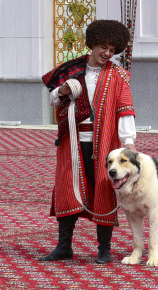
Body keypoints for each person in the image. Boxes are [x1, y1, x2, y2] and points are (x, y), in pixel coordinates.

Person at [40, 20, 136, 264]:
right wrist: (60, 92)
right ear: (93, 44)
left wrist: (129, 142)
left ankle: (104, 249)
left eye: (113, 50)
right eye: (104, 47)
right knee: (66, 187)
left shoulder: (120, 76)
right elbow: (54, 99)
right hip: (71, 141)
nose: (107, 53)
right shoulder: (71, 70)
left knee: (104, 189)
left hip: (105, 144)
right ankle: (64, 247)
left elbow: (125, 110)